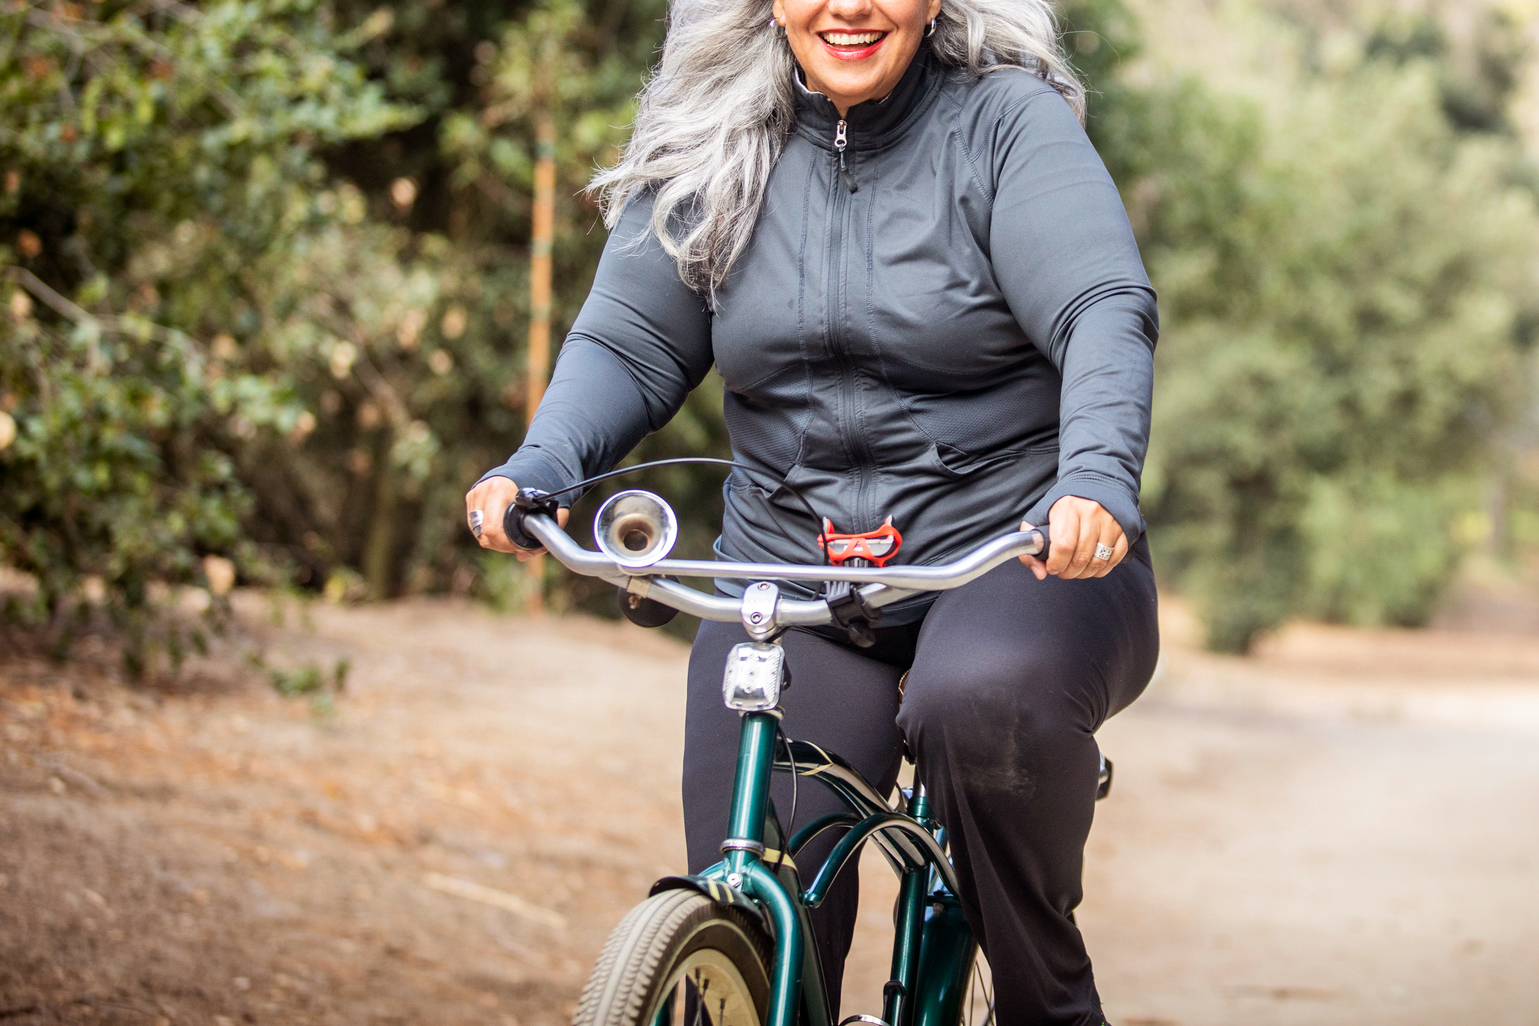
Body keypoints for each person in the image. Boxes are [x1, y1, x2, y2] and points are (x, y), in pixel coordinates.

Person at [466, 0, 1159, 1018]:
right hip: (794, 580)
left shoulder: (1006, 124)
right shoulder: (716, 131)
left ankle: (1046, 1002)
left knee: (978, 702)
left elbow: (1100, 304)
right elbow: (629, 343)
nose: (849, 6)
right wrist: (540, 466)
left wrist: (1094, 480)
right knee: (755, 908)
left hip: (1020, 557)